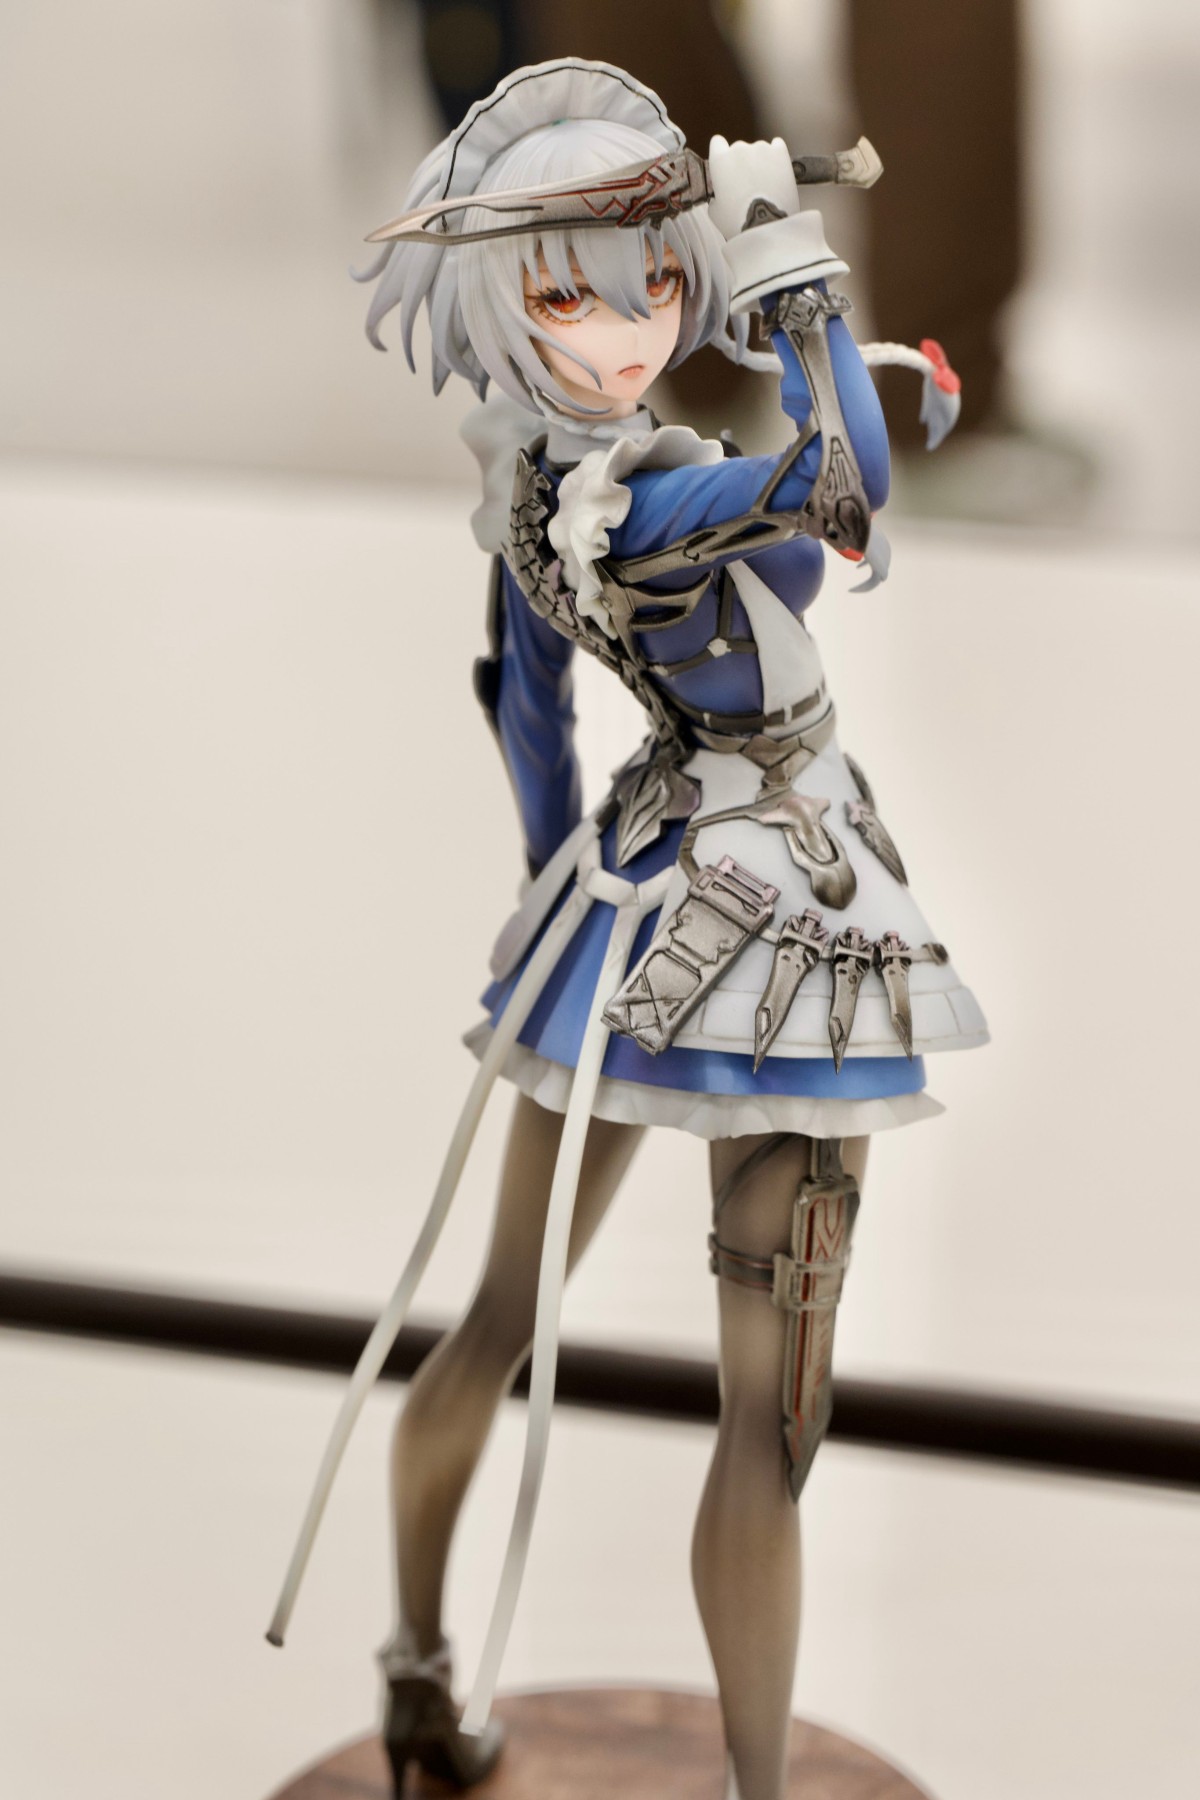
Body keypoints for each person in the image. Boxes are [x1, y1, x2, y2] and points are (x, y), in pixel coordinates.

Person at [270, 58, 986, 1800]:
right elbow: (846, 489)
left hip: (634, 893)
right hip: (781, 913)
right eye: (571, 297)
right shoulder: (635, 500)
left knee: (509, 1320)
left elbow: (523, 707)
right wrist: (787, 263)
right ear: (500, 310)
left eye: (656, 279)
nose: (631, 324)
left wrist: (549, 885)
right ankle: (719, 1776)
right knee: (764, 1420)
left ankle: (420, 1665)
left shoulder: (530, 495)